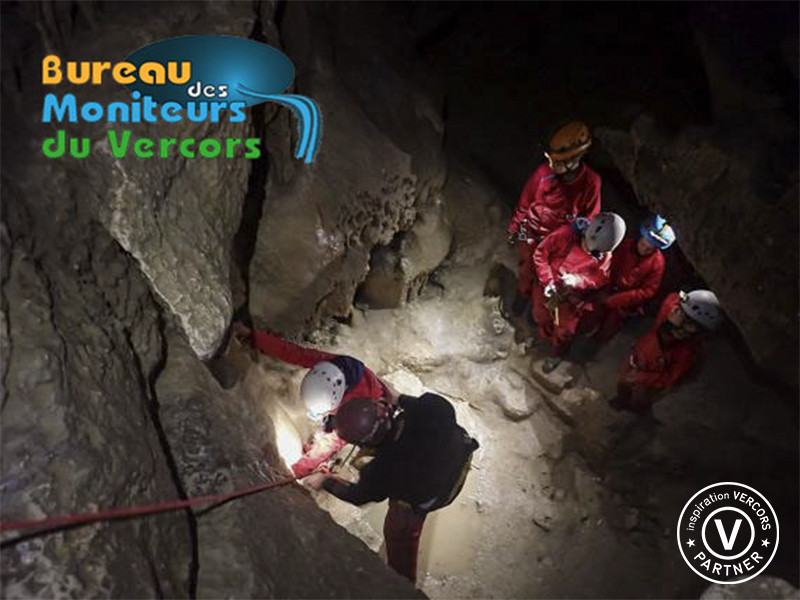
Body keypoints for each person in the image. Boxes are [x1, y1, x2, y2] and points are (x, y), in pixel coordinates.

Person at [302, 394, 479, 584]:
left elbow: (358, 496)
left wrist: (324, 480)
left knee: (400, 522)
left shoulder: (381, 470)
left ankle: (403, 585)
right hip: (459, 457)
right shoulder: (433, 407)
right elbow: (407, 402)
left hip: (433, 496)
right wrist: (399, 398)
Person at [232, 323, 396, 477]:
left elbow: (328, 446)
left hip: (378, 416)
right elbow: (295, 353)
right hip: (362, 393)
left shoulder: (357, 414)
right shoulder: (332, 368)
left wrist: (294, 472)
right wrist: (255, 337)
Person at [507, 121, 602, 316]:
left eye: (556, 161)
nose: (550, 164)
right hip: (531, 231)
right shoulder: (543, 174)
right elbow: (524, 204)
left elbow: (589, 223)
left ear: (572, 161)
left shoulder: (591, 184)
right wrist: (514, 229)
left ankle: (537, 314)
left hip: (558, 242)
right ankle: (521, 296)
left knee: (545, 282)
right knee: (526, 270)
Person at [531, 212, 626, 372]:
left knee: (564, 332)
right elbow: (540, 255)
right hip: (547, 286)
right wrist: (548, 281)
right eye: (586, 246)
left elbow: (600, 278)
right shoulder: (564, 235)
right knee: (541, 315)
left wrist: (579, 280)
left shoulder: (603, 255)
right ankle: (541, 338)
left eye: (593, 251)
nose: (589, 251)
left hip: (571, 299)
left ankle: (556, 354)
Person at [611, 289, 723, 413]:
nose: (674, 310)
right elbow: (674, 297)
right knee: (623, 381)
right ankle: (622, 400)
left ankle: (638, 410)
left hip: (655, 373)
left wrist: (641, 377)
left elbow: (669, 379)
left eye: (681, 312)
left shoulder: (686, 352)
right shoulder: (670, 306)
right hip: (642, 353)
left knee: (643, 398)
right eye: (678, 307)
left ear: (691, 328)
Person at [587, 214, 675, 342]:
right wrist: (603, 288)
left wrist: (616, 300)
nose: (643, 249)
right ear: (641, 237)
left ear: (656, 249)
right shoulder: (624, 245)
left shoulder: (657, 263)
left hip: (625, 302)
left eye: (649, 249)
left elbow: (648, 291)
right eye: (643, 244)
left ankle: (592, 349)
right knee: (590, 315)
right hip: (606, 288)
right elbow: (607, 265)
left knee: (609, 328)